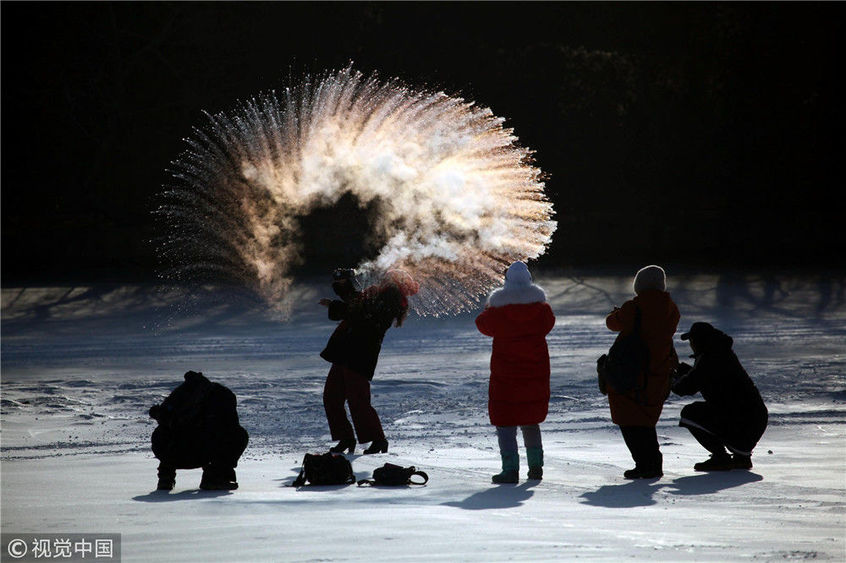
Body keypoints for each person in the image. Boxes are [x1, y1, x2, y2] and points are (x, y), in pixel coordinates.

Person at [320, 267, 419, 455]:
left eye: (388, 277)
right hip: (345, 351)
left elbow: (360, 313)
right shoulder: (380, 294)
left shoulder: (391, 298)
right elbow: (356, 303)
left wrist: (335, 305)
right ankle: (347, 438)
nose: (384, 279)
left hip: (360, 354)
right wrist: (344, 286)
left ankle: (378, 439)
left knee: (357, 399)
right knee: (332, 397)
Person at [475, 261, 556, 483]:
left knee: (506, 423)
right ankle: (536, 467)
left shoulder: (498, 311)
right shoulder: (542, 310)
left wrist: (489, 306)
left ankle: (510, 470)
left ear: (507, 282)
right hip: (535, 377)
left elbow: (481, 323)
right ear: (529, 281)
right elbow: (549, 323)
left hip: (505, 379)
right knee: (531, 421)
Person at [603, 265, 680, 479]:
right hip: (660, 368)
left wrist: (616, 312)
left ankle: (645, 464)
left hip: (633, 369)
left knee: (629, 418)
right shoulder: (671, 308)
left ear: (639, 286)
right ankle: (652, 463)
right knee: (646, 419)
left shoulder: (633, 307)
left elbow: (612, 323)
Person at [672, 322, 768, 471]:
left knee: (690, 414)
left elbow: (685, 387)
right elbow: (700, 377)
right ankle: (741, 457)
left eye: (692, 341)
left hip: (743, 422)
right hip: (755, 418)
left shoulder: (710, 358)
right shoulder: (720, 352)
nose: (690, 345)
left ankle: (721, 457)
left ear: (699, 341)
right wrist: (680, 369)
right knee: (717, 411)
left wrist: (668, 377)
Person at [149, 370, 249, 491]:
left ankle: (167, 478)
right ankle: (215, 477)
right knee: (238, 435)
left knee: (183, 433)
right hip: (181, 451)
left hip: (173, 451)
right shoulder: (220, 397)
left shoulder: (181, 396)